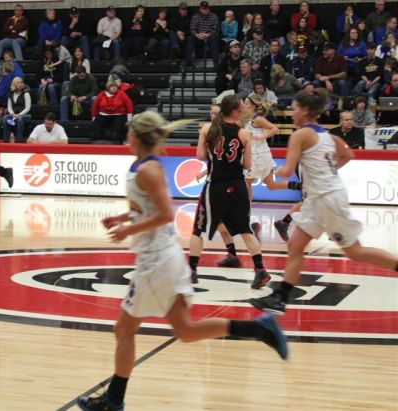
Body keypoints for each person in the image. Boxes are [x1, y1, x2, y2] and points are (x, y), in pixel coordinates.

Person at [76, 110, 287, 411]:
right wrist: (123, 217)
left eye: (130, 130)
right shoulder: (142, 165)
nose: (127, 134)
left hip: (156, 260)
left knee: (123, 330)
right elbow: (147, 207)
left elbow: (165, 214)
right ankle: (259, 329)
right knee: (185, 331)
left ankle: (113, 400)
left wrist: (127, 230)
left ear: (136, 135)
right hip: (163, 258)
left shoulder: (148, 169)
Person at [250, 89, 398, 315]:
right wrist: (329, 171)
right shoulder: (330, 136)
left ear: (305, 111)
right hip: (318, 198)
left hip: (327, 198)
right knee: (295, 245)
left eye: (295, 109)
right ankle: (280, 298)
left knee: (354, 251)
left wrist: (273, 170)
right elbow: (348, 155)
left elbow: (286, 171)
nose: (292, 113)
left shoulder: (300, 135)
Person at [190, 94, 271, 289]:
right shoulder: (244, 133)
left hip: (215, 186)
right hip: (237, 186)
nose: (244, 110)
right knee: (245, 230)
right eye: (241, 108)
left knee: (198, 230)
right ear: (234, 112)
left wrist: (215, 154)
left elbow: (200, 156)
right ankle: (260, 270)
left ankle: (191, 272)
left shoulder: (207, 129)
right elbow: (247, 165)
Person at [92, 79, 133, 144]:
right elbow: (95, 106)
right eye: (112, 86)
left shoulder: (122, 94)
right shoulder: (102, 94)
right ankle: (97, 141)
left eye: (115, 86)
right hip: (103, 114)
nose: (114, 88)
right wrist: (94, 118)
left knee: (116, 129)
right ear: (108, 87)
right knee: (96, 123)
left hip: (118, 115)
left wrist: (129, 119)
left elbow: (129, 105)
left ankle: (115, 141)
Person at [185, 1, 220, 68]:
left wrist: (207, 35)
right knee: (190, 38)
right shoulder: (195, 17)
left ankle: (216, 62)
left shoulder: (214, 17)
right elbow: (192, 29)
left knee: (214, 38)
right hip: (198, 37)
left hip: (209, 37)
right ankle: (189, 61)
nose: (205, 10)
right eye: (203, 9)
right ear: (200, 9)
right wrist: (197, 34)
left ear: (208, 8)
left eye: (206, 8)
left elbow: (216, 30)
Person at [3, 76, 31, 142]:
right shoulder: (11, 94)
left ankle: (19, 140)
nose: (20, 84)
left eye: (21, 82)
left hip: (25, 114)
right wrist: (13, 114)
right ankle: (6, 139)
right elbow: (9, 107)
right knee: (5, 118)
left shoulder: (26, 93)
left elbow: (28, 108)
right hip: (14, 114)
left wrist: (18, 115)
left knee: (19, 119)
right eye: (18, 83)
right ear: (14, 84)